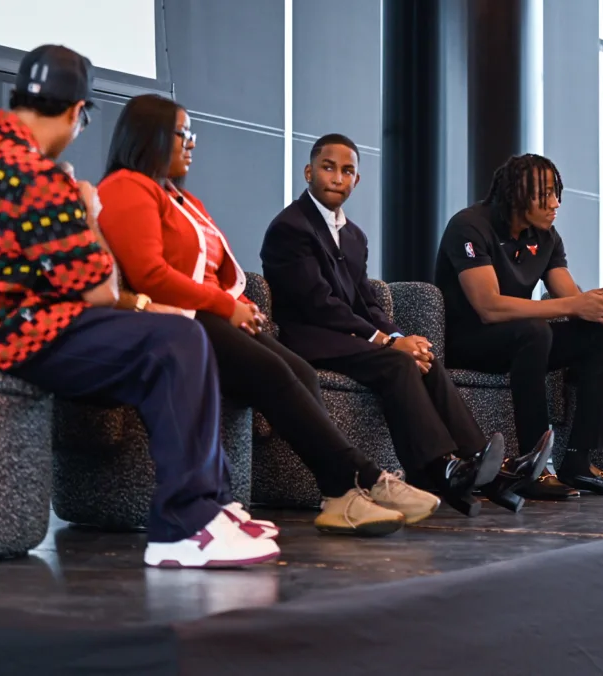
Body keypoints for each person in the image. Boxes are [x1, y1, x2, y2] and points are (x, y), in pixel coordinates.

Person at [0, 45, 280, 569]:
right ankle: (185, 525)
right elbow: (97, 289)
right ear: (77, 113)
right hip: (10, 336)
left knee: (173, 334)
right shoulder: (39, 175)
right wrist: (88, 211)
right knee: (178, 341)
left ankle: (213, 504)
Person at [97, 95, 441, 535]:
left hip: (207, 312)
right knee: (273, 373)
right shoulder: (127, 187)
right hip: (172, 320)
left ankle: (339, 496)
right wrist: (226, 304)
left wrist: (237, 300)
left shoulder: (183, 198)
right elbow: (149, 273)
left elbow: (221, 265)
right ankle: (362, 482)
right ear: (149, 135)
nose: (192, 144)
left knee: (300, 371)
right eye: (183, 134)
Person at [260, 134, 553, 517]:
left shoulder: (354, 236)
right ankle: (440, 470)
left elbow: (365, 301)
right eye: (328, 167)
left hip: (348, 337)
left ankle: (487, 469)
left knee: (423, 355)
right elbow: (319, 304)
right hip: (311, 338)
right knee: (398, 363)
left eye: (347, 171)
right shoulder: (290, 227)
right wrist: (383, 340)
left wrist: (400, 336)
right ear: (308, 172)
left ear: (357, 181)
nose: (337, 177)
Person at [435, 153, 603, 497]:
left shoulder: (546, 236)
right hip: (469, 341)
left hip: (524, 342)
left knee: (602, 336)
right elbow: (487, 306)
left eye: (556, 193)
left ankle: (578, 462)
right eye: (546, 194)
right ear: (518, 193)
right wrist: (573, 304)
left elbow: (567, 293)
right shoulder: (470, 225)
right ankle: (532, 467)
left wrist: (600, 308)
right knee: (535, 330)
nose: (555, 203)